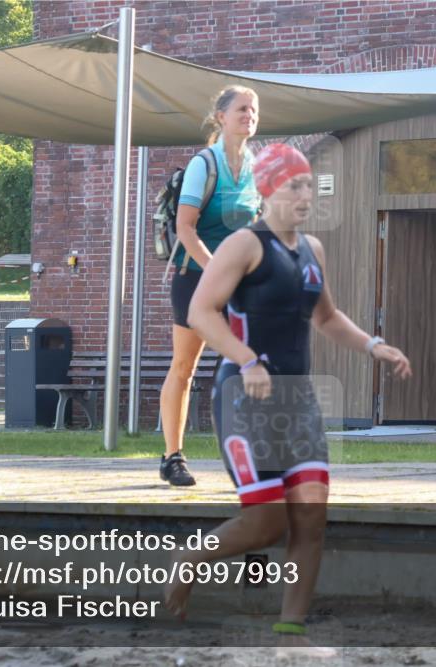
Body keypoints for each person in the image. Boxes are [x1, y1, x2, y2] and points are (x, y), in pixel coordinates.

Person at [164, 143, 412, 654]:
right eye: (295, 185)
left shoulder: (312, 250)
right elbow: (202, 312)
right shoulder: (243, 246)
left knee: (311, 516)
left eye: (308, 185)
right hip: (245, 397)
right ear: (269, 189)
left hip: (297, 403)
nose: (306, 194)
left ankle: (291, 631)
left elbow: (324, 317)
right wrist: (247, 358)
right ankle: (191, 558)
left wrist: (374, 346)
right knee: (266, 522)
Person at [159, 85, 261, 487]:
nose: (249, 115)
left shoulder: (257, 166)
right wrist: (218, 271)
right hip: (196, 278)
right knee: (184, 367)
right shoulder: (205, 164)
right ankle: (172, 457)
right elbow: (185, 228)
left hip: (238, 281)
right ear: (220, 116)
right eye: (241, 109)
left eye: (253, 110)